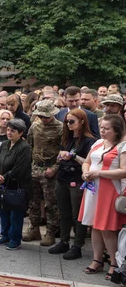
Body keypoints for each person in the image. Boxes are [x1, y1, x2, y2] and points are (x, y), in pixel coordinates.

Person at [80, 114, 126, 279]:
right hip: (93, 189)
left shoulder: (122, 146)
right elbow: (86, 162)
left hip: (109, 189)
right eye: (101, 127)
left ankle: (114, 262)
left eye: (107, 129)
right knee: (94, 226)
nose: (102, 131)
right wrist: (86, 172)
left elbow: (124, 170)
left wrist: (99, 172)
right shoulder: (98, 143)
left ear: (117, 130)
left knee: (107, 228)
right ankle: (97, 259)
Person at [49, 109, 96, 259]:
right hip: (63, 177)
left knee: (77, 214)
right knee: (64, 212)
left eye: (71, 121)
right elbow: (62, 155)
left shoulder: (90, 141)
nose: (68, 124)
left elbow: (89, 162)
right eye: (67, 121)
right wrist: (60, 157)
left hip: (77, 179)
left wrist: (73, 156)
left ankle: (77, 245)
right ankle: (64, 241)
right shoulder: (67, 138)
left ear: (81, 121)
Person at [23, 99, 63, 246]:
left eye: (46, 116)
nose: (43, 119)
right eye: (41, 116)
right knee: (33, 201)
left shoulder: (60, 128)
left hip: (50, 169)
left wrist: (55, 168)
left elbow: (64, 151)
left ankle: (51, 232)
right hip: (35, 167)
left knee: (51, 203)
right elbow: (29, 145)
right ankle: (34, 229)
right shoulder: (35, 126)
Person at [0, 119, 33, 250]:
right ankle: (5, 235)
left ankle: (15, 239)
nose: (9, 133)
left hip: (17, 186)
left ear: (21, 133)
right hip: (3, 184)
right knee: (3, 210)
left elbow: (19, 169)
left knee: (15, 214)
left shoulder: (24, 148)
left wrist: (2, 178)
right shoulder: (4, 144)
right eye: (8, 130)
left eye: (13, 131)